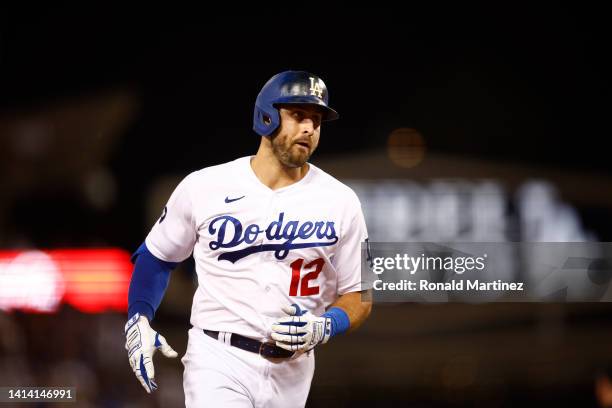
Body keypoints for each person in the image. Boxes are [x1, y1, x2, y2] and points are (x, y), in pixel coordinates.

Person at [124, 70, 372, 407]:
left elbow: (360, 294)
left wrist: (326, 325)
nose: (309, 128)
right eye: (298, 115)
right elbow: (157, 256)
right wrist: (139, 315)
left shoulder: (342, 202)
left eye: (317, 120)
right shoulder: (205, 186)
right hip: (217, 357)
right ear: (267, 116)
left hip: (294, 368)